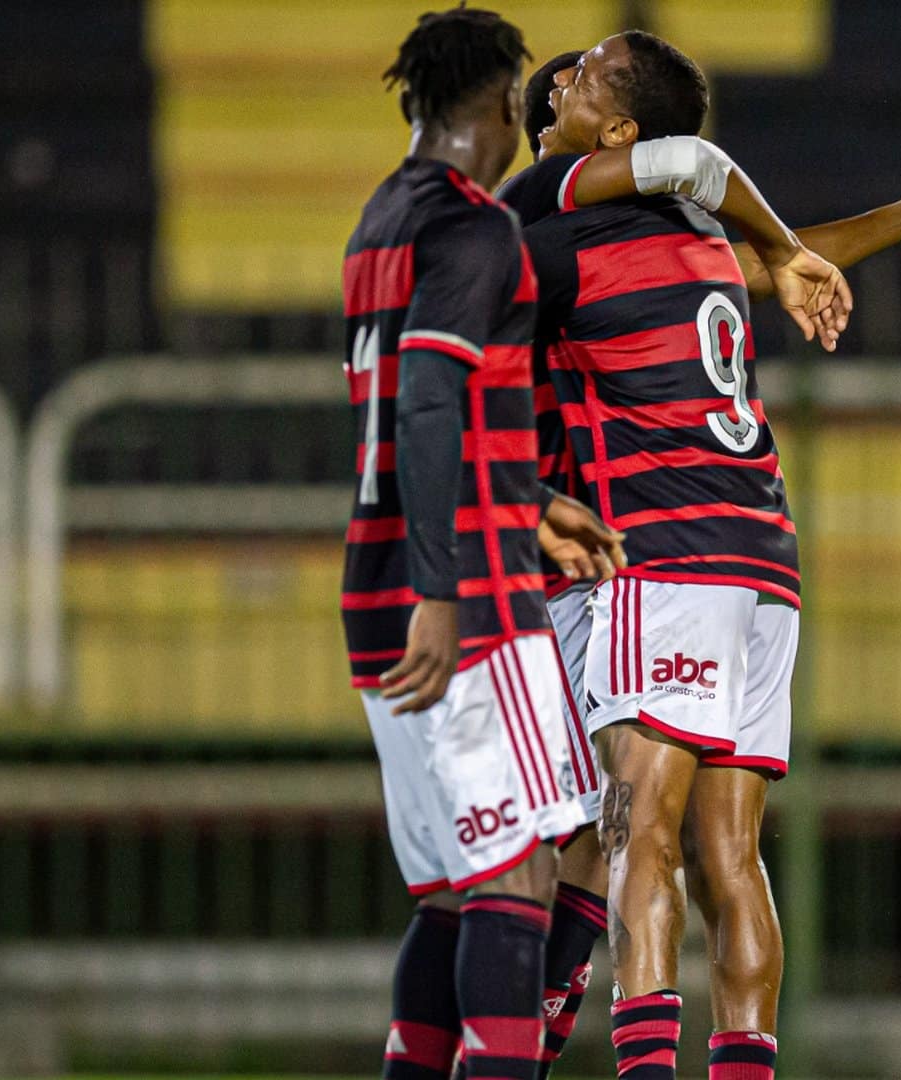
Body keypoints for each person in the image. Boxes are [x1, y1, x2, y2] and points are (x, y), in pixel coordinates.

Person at [497, 34, 901, 1080]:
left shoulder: (554, 220)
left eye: (588, 77)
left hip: (645, 550)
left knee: (623, 833)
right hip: (761, 559)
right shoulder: (697, 243)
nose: (565, 81)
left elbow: (723, 195)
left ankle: (549, 1037)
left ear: (612, 142)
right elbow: (780, 250)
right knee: (724, 856)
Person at [340, 11, 627, 1080]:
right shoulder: (475, 230)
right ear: (506, 103)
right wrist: (445, 586)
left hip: (379, 588)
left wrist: (531, 497)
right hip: (467, 604)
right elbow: (425, 402)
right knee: (518, 882)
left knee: (457, 897)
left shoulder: (380, 221)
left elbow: (432, 413)